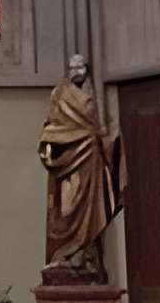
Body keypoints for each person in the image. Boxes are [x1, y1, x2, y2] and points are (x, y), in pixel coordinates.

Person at [37, 53, 125, 280]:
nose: (77, 71)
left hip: (90, 163)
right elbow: (50, 125)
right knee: (67, 209)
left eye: (81, 67)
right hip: (67, 162)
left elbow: (97, 130)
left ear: (86, 69)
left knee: (92, 209)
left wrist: (109, 145)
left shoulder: (90, 95)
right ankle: (65, 255)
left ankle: (87, 256)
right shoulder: (59, 94)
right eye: (73, 67)